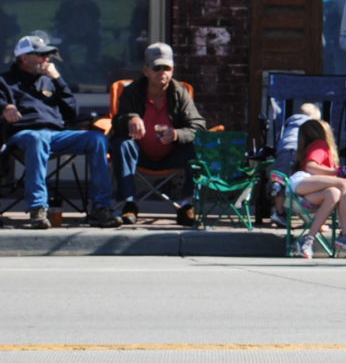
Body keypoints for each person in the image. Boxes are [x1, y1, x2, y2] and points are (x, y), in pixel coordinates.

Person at [1, 34, 119, 229]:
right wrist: (5, 108)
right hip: (24, 134)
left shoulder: (50, 81)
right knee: (36, 138)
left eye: (48, 55)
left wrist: (58, 79)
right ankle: (38, 207)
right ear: (24, 57)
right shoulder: (6, 81)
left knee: (96, 138)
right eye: (41, 55)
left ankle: (101, 207)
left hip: (56, 134)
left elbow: (72, 112)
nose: (46, 60)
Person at [110, 42, 206, 226]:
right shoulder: (132, 92)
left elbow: (198, 127)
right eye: (157, 67)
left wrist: (177, 134)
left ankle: (187, 205)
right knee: (122, 144)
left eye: (167, 68)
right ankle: (130, 204)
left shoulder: (180, 93)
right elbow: (117, 121)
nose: (162, 72)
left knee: (197, 147)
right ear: (146, 70)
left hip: (172, 154)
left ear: (172, 70)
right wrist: (130, 118)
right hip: (140, 154)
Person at [288, 117, 346, 259]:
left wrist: (337, 172)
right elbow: (310, 167)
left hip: (304, 197)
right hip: (302, 182)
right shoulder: (320, 144)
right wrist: (337, 172)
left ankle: (307, 240)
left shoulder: (314, 148)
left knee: (334, 193)